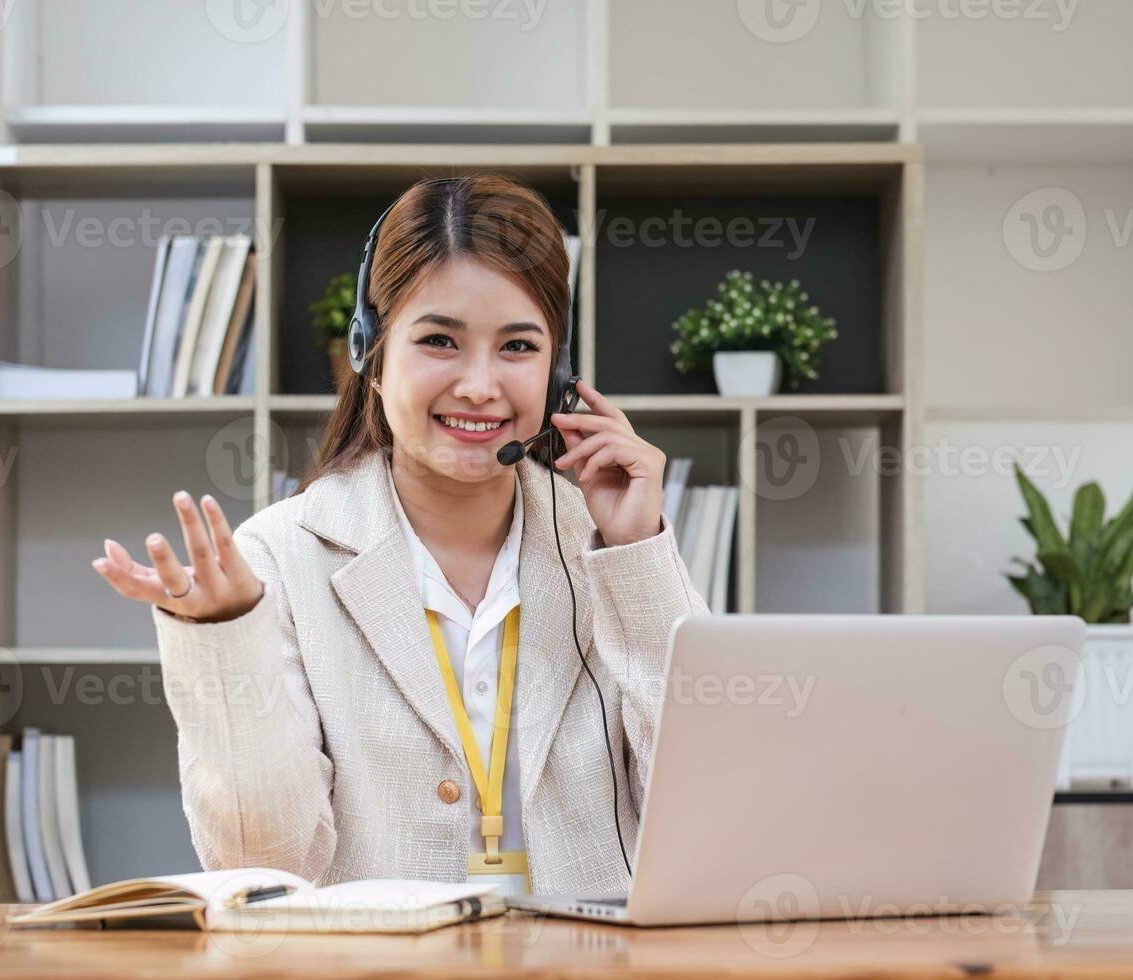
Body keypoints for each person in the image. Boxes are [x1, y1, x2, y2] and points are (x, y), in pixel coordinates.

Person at [90, 174, 708, 898]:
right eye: (440, 340)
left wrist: (636, 556)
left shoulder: (603, 546)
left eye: (518, 346)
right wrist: (228, 638)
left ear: (558, 370)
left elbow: (709, 814)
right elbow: (264, 863)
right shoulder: (280, 558)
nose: (480, 385)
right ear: (371, 354)